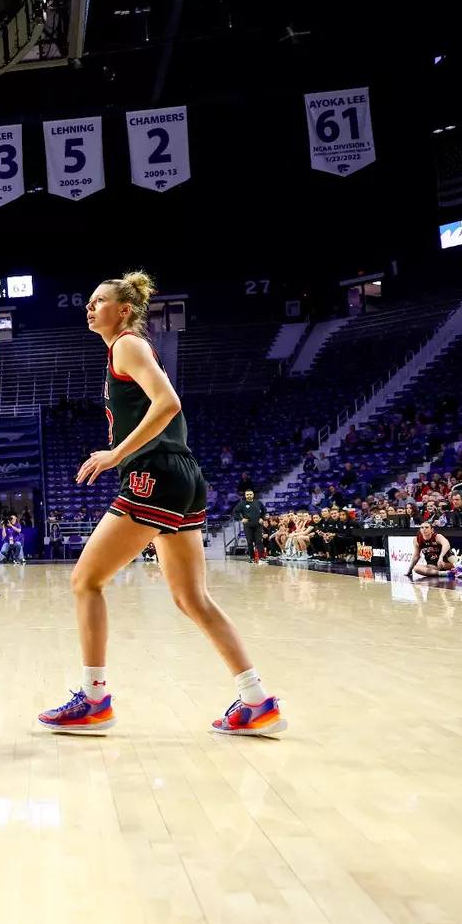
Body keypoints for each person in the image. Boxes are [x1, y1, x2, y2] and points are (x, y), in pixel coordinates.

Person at [39, 272, 286, 738]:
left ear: (124, 310)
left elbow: (168, 402)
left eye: (99, 301)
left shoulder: (126, 345)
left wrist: (116, 454)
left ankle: (94, 699)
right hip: (183, 476)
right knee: (191, 597)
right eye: (88, 302)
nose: (89, 308)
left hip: (156, 474)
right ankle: (256, 699)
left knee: (85, 581)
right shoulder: (126, 349)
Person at [234, 489, 267, 563]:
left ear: (253, 495)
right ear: (245, 496)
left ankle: (261, 557)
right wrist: (241, 519)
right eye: (247, 494)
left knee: (259, 541)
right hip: (248, 526)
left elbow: (264, 510)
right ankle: (252, 558)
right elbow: (235, 512)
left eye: (250, 494)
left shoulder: (258, 502)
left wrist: (262, 517)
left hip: (258, 525)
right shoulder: (242, 504)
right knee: (249, 542)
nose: (249, 496)